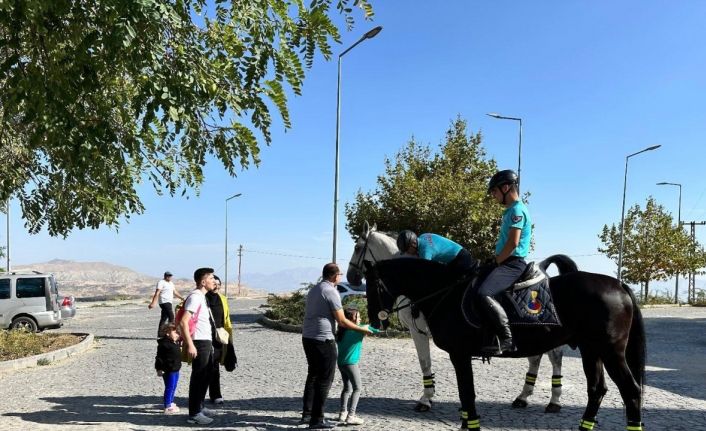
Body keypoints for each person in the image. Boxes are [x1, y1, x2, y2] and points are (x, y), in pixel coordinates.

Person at [300, 263, 374, 430]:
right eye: (339, 274)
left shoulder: (314, 289)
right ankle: (317, 419)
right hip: (322, 339)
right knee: (325, 379)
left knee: (313, 375)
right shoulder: (331, 291)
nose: (340, 277)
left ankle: (307, 414)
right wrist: (362, 329)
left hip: (308, 337)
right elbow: (342, 320)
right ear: (335, 276)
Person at [479, 169, 532, 355]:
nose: (493, 196)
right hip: (505, 261)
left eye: (494, 191)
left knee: (485, 293)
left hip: (512, 263)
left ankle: (506, 338)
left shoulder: (517, 210)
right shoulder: (509, 211)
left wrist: (496, 261)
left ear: (506, 187)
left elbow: (513, 243)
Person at [180, 267, 217, 425]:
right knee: (198, 377)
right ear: (203, 282)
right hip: (199, 342)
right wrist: (190, 344)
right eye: (211, 278)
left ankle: (199, 406)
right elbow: (183, 321)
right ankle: (194, 414)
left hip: (206, 341)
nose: (214, 281)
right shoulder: (195, 297)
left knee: (206, 375)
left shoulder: (203, 297)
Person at [335, 307, 379, 426]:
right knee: (357, 388)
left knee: (346, 388)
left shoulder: (341, 331)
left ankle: (342, 413)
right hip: (351, 363)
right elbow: (376, 330)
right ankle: (351, 415)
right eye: (358, 317)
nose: (360, 319)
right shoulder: (358, 330)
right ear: (351, 319)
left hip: (341, 363)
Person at [396, 231, 477, 277]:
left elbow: (424, 274)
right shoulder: (423, 236)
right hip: (460, 255)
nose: (407, 253)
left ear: (413, 244)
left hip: (461, 260)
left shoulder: (425, 252)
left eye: (407, 250)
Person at [206, 275, 233, 405]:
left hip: (218, 337)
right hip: (204, 336)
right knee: (202, 367)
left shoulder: (223, 299)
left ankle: (215, 394)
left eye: (218, 284)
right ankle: (198, 396)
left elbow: (226, 319)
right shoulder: (202, 298)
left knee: (215, 366)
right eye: (214, 283)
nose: (216, 286)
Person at [155, 322, 182, 414]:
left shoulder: (174, 343)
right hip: (168, 370)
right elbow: (159, 358)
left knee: (174, 386)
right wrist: (159, 369)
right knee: (169, 387)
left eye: (178, 333)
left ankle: (170, 402)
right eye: (175, 332)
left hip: (175, 369)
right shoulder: (164, 345)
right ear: (167, 333)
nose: (177, 334)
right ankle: (167, 406)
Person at [148, 271, 184, 336]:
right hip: (164, 302)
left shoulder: (171, 283)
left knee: (164, 318)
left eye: (170, 276)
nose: (169, 277)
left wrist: (182, 298)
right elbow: (157, 293)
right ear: (165, 276)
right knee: (171, 316)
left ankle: (160, 334)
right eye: (168, 276)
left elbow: (175, 292)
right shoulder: (161, 282)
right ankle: (171, 333)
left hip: (169, 302)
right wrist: (153, 303)